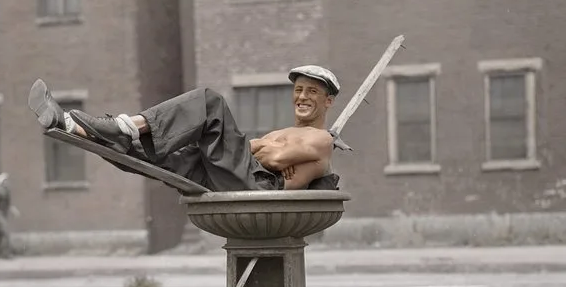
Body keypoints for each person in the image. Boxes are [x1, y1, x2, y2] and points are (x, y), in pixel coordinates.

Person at [28, 65, 343, 191]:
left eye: (312, 92)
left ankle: (124, 127)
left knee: (209, 103)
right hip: (238, 175)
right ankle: (71, 125)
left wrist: (246, 147)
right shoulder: (289, 133)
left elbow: (272, 159)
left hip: (257, 187)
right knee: (146, 152)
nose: (302, 96)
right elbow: (268, 152)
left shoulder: (321, 140)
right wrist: (250, 148)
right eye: (299, 90)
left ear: (328, 102)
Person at [0, 172, 19, 259]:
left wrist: (13, 210)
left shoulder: (7, 192)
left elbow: (8, 204)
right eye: (5, 181)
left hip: (3, 214)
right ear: (2, 182)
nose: (7, 182)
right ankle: (6, 254)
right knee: (6, 233)